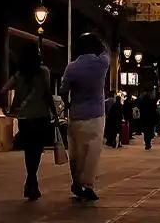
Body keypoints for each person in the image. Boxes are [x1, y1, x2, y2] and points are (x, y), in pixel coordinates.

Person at [60, 32, 111, 201]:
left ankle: (76, 181)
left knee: (76, 152)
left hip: (76, 114)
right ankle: (88, 184)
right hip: (96, 114)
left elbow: (63, 91)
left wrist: (68, 104)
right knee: (92, 152)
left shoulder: (72, 67)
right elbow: (107, 52)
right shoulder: (101, 64)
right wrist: (101, 42)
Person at [3, 43, 54, 200]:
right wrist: (55, 113)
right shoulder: (44, 72)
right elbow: (48, 93)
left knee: (28, 151)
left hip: (24, 118)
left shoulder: (19, 75)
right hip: (40, 116)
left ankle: (31, 182)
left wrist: (11, 106)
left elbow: (4, 89)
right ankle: (31, 181)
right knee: (36, 151)